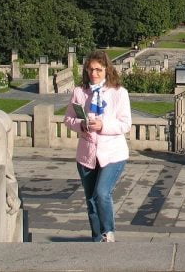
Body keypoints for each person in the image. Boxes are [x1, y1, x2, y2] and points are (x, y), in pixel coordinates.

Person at [64, 50, 132, 242]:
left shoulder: (119, 93)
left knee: (102, 193)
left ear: (106, 70)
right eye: (90, 70)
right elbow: (68, 119)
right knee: (91, 201)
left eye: (98, 70)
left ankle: (108, 232)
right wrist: (81, 125)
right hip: (87, 154)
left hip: (113, 153)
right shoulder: (79, 92)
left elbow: (126, 124)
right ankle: (96, 239)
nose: (94, 74)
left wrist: (103, 126)